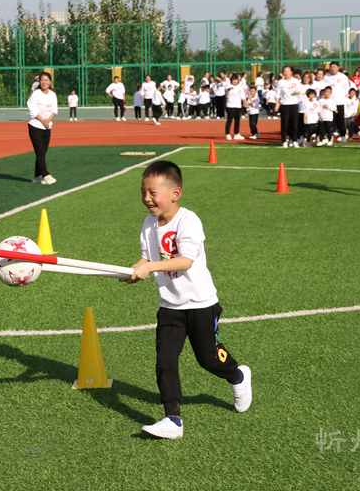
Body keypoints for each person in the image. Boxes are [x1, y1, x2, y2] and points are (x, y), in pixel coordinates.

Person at [120, 160, 252, 439]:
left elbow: (185, 261)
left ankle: (237, 375)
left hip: (200, 303)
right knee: (165, 360)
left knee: (208, 359)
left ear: (175, 194)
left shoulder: (188, 220)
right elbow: (148, 258)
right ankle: (173, 420)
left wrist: (150, 267)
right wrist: (134, 270)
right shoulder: (148, 223)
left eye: (153, 193)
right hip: (170, 306)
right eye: (143, 192)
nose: (146, 199)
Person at [27, 72, 58, 185]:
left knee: (42, 152)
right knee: (40, 152)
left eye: (46, 80)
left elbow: (55, 110)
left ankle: (37, 176)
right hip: (35, 126)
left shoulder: (52, 94)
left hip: (47, 127)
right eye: (42, 80)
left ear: (50, 82)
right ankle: (45, 175)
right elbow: (32, 110)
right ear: (39, 82)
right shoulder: (36, 94)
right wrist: (42, 120)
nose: (44, 82)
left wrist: (48, 120)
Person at [323, 62, 351, 142]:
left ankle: (342, 135)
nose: (333, 68)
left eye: (334, 67)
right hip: (329, 102)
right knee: (329, 120)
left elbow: (346, 88)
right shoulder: (326, 77)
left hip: (340, 102)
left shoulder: (343, 77)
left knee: (341, 119)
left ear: (338, 68)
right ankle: (329, 135)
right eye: (331, 67)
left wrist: (342, 97)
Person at [274, 66, 302, 147]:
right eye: (284, 71)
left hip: (294, 104)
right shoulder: (281, 82)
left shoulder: (296, 81)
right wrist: (277, 104)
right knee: (284, 124)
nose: (286, 73)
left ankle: (294, 140)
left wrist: (297, 92)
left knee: (294, 123)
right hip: (284, 104)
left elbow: (299, 90)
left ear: (291, 72)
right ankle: (284, 141)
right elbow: (277, 94)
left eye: (287, 71)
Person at [224, 74, 246, 139]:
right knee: (229, 120)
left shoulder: (240, 87)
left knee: (237, 121)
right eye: (233, 79)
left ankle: (236, 134)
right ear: (231, 80)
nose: (235, 81)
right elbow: (226, 91)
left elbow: (243, 96)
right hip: (230, 106)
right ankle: (227, 134)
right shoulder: (229, 86)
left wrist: (245, 102)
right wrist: (229, 89)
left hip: (238, 106)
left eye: (236, 79)